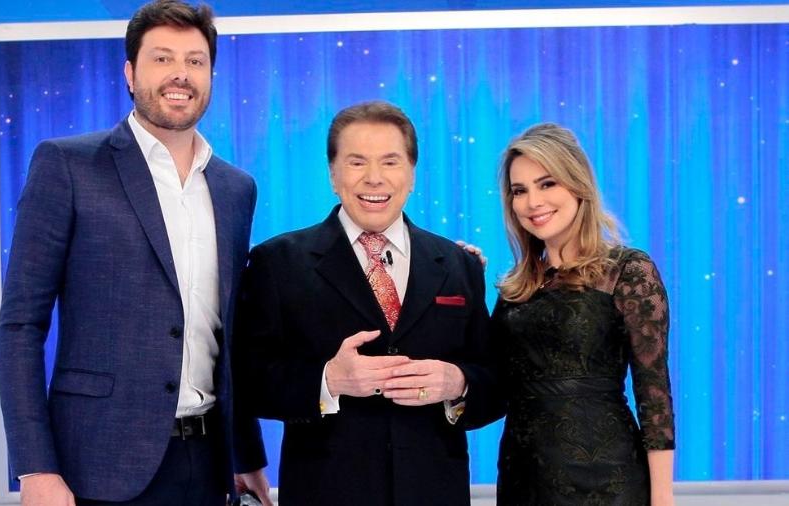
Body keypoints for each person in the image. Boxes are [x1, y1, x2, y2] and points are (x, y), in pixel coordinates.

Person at [0, 1, 271, 505]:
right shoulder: (68, 165)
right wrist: (35, 468)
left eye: (194, 61)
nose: (180, 75)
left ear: (210, 74)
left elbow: (227, 334)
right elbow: (20, 326)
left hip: (209, 466)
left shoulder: (236, 188)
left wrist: (246, 455)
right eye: (162, 59)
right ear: (129, 72)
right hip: (96, 467)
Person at [232, 101, 505, 506]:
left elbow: (497, 381)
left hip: (434, 492)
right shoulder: (278, 262)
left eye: (390, 162)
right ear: (333, 174)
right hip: (325, 492)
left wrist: (458, 384)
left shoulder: (459, 265)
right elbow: (246, 381)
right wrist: (329, 381)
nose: (374, 178)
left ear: (411, 174)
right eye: (357, 162)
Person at [491, 123, 675, 505]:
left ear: (577, 185)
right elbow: (489, 377)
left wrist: (663, 499)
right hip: (522, 480)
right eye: (519, 191)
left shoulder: (628, 270)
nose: (532, 202)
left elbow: (653, 393)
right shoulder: (515, 288)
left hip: (606, 481)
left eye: (547, 184)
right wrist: (455, 277)